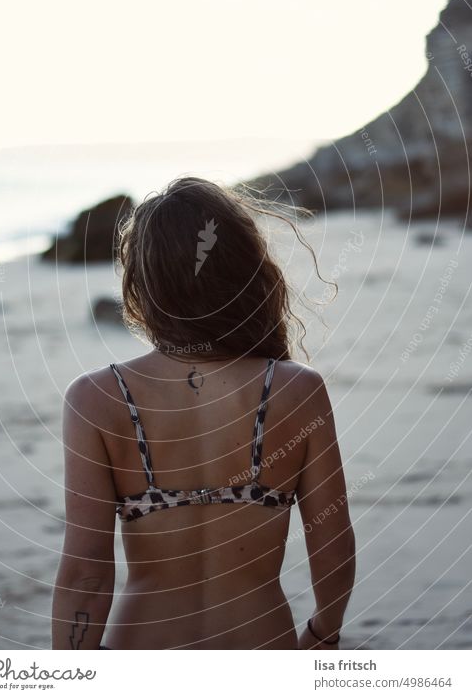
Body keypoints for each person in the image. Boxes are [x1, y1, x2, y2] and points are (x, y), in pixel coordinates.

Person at [51, 176, 356, 649]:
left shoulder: (98, 398)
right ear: (244, 272)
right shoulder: (297, 389)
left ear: (143, 283)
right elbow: (332, 544)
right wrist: (323, 633)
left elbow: (85, 571)